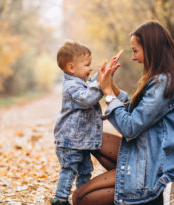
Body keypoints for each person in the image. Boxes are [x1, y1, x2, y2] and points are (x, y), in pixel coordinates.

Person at [72, 21, 174, 205]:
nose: (133, 57)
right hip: (148, 156)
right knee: (89, 137)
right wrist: (109, 83)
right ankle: (130, 181)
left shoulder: (165, 83)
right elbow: (135, 111)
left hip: (157, 172)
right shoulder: (162, 79)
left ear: (151, 48)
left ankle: (155, 197)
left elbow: (130, 127)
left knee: (80, 199)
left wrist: (108, 95)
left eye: (135, 50)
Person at [52, 40, 120, 205]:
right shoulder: (71, 86)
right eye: (87, 65)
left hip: (80, 141)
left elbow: (93, 85)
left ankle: (81, 196)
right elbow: (88, 98)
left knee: (85, 170)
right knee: (69, 170)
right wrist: (100, 83)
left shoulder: (82, 82)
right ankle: (60, 199)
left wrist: (103, 73)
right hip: (70, 141)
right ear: (71, 68)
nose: (90, 68)